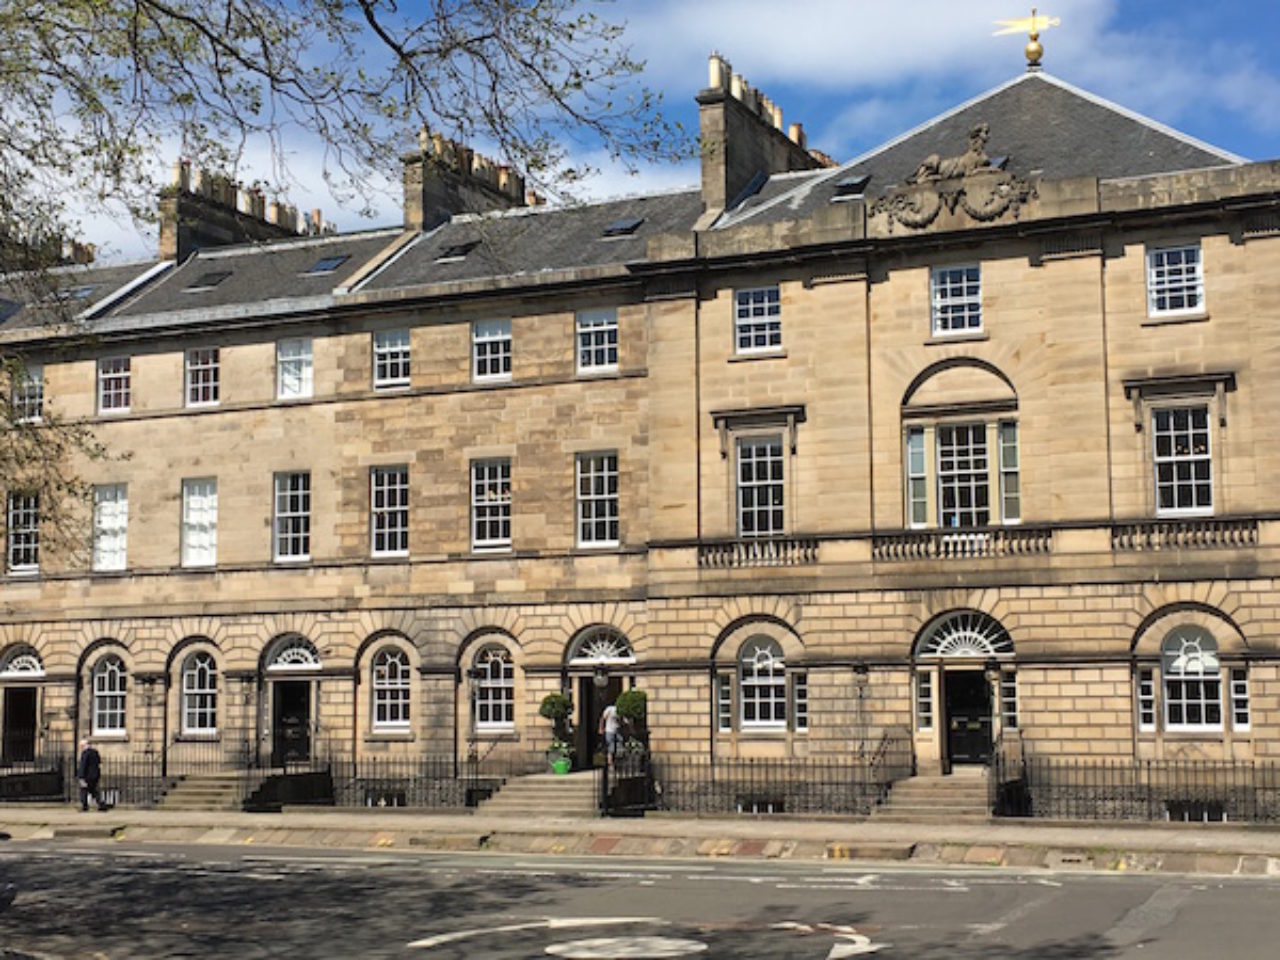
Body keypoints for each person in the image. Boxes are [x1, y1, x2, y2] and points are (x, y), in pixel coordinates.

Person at [77, 739, 105, 812]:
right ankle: (101, 804)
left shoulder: (85, 753)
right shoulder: (95, 752)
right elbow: (99, 762)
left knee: (84, 791)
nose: (80, 748)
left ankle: (84, 806)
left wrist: (81, 776)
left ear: (83, 746)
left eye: (81, 746)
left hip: (87, 776)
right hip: (95, 775)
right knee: (94, 790)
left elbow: (83, 765)